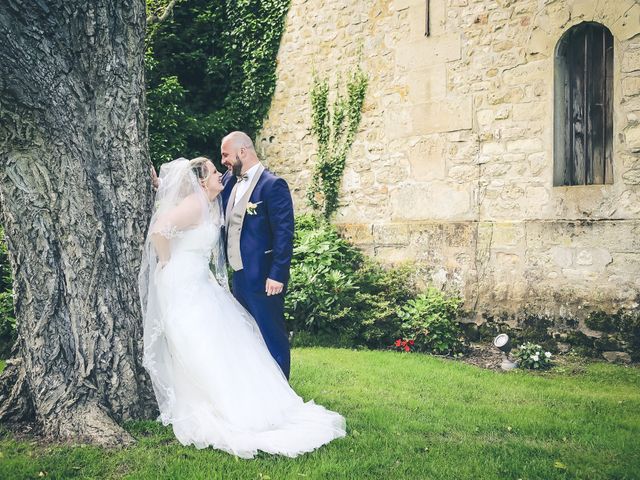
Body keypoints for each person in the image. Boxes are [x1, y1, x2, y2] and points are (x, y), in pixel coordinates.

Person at [139, 157, 345, 458]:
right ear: (200, 182)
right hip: (182, 282)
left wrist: (162, 187)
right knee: (197, 342)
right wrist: (167, 261)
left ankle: (239, 401)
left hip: (200, 283)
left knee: (218, 341)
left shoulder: (208, 201)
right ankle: (213, 402)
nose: (220, 173)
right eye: (212, 171)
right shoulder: (195, 205)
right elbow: (160, 230)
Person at [219, 131, 294, 379]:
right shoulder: (230, 181)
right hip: (238, 277)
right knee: (248, 338)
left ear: (243, 151)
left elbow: (284, 234)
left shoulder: (273, 185)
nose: (223, 161)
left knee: (272, 336)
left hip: (264, 278)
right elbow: (201, 187)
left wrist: (277, 275)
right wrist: (163, 185)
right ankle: (260, 389)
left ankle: (283, 391)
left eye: (226, 155)